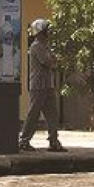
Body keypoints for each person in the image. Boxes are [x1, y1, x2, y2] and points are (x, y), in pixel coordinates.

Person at [18, 17, 65, 152]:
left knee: (52, 114)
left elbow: (53, 61)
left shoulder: (45, 46)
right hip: (38, 85)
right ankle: (24, 140)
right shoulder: (37, 46)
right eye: (47, 31)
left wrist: (54, 59)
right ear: (41, 32)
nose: (49, 33)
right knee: (34, 114)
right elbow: (48, 62)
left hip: (47, 84)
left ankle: (53, 141)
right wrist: (54, 59)